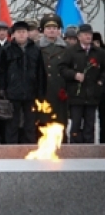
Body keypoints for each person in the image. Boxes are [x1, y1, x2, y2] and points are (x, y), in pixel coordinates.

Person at [0, 21, 46, 144]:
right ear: (13, 34)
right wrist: (1, 88)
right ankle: (11, 148)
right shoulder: (7, 50)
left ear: (28, 34)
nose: (21, 35)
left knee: (30, 123)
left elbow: (41, 72)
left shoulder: (35, 50)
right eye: (19, 32)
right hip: (12, 93)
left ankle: (29, 146)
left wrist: (40, 92)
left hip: (31, 92)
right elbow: (1, 71)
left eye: (24, 32)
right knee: (12, 123)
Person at [59, 24, 105, 143]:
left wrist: (100, 82)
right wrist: (74, 75)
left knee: (90, 125)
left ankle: (89, 152)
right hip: (76, 95)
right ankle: (75, 151)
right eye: (85, 34)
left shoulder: (99, 52)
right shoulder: (71, 51)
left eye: (90, 34)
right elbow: (62, 68)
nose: (88, 37)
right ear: (79, 37)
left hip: (92, 94)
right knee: (76, 125)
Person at [37, 14, 68, 142]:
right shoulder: (36, 47)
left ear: (59, 30)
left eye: (54, 28)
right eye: (48, 28)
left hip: (60, 92)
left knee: (60, 121)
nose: (51, 30)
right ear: (43, 30)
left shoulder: (66, 48)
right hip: (42, 92)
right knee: (42, 122)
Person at [92, 32, 105, 143]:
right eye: (94, 42)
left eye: (97, 42)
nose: (96, 44)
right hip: (91, 91)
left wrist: (101, 80)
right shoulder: (88, 54)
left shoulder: (102, 54)